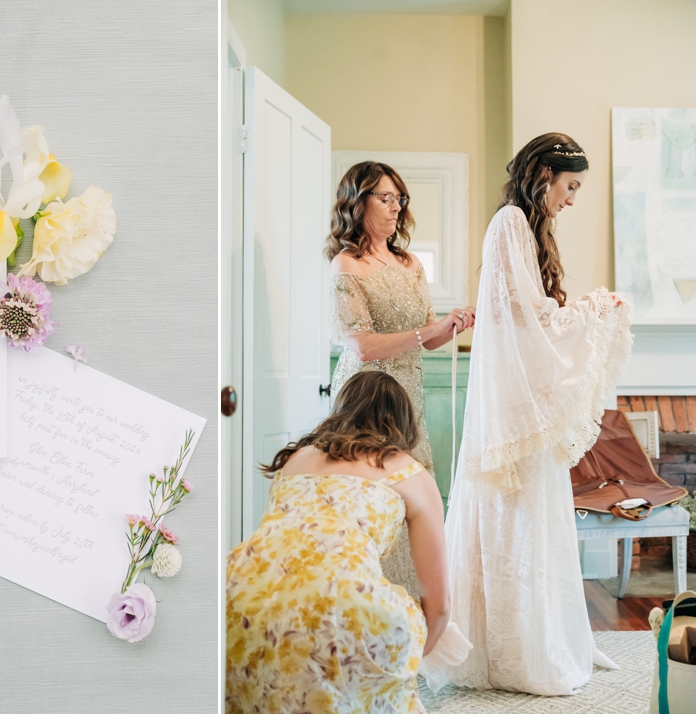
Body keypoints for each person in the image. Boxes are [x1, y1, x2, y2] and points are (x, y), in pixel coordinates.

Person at [443, 133, 633, 694]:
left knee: (533, 518)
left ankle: (544, 636)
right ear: (544, 174)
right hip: (514, 405)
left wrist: (584, 311)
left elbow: (532, 312)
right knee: (516, 514)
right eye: (570, 186)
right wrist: (594, 310)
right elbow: (524, 315)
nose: (572, 199)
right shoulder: (509, 224)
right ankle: (515, 654)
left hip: (523, 399)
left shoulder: (527, 228)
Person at [226, 371, 450, 713]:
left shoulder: (294, 461)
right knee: (390, 620)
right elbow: (438, 605)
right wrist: (409, 660)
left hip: (239, 592)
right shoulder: (410, 472)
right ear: (404, 421)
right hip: (339, 600)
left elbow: (279, 552)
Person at [327, 161, 475, 600]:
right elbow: (363, 347)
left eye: (399, 199)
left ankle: (410, 611)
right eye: (385, 198)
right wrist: (428, 331)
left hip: (408, 394)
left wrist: (452, 326)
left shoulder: (410, 263)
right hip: (365, 396)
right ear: (359, 201)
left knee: (411, 496)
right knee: (371, 497)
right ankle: (366, 603)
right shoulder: (346, 264)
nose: (395, 208)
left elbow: (426, 339)